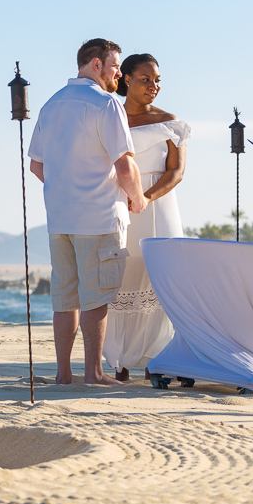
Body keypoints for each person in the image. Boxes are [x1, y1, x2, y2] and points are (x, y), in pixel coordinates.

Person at [29, 38, 149, 386]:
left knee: (65, 298)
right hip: (98, 217)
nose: (118, 76)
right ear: (95, 65)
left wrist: (66, 187)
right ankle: (94, 374)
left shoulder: (50, 105)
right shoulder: (106, 103)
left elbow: (37, 166)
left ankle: (63, 374)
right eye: (114, 68)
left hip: (59, 218)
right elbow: (124, 165)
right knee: (95, 297)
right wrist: (137, 199)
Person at [103, 54, 190, 381]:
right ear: (126, 78)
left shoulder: (170, 121)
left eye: (157, 80)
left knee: (162, 280)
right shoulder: (110, 117)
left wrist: (143, 198)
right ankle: (120, 361)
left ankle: (161, 358)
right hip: (116, 205)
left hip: (158, 207)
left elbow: (176, 172)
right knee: (122, 278)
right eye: (145, 79)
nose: (153, 86)